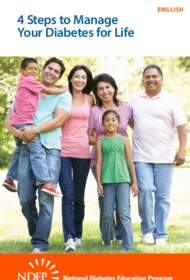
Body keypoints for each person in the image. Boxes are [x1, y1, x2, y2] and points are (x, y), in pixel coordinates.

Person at [5, 57, 72, 252]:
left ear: (59, 76)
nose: (51, 72)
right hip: (27, 146)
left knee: (45, 197)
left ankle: (40, 243)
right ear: (43, 69)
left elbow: (59, 120)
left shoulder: (63, 94)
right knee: (25, 198)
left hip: (50, 148)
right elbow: (10, 121)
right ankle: (36, 233)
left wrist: (34, 130)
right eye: (49, 68)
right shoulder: (27, 88)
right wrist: (21, 134)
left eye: (56, 71)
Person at [130, 64, 187, 246]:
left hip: (165, 156)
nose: (151, 79)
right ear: (143, 79)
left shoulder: (172, 99)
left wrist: (182, 149)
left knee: (163, 196)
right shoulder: (135, 99)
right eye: (147, 76)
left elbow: (181, 127)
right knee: (145, 191)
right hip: (141, 156)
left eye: (155, 76)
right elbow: (130, 121)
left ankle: (161, 233)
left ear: (161, 79)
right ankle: (148, 230)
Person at [3, 57, 67, 196]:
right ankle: (46, 182)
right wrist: (62, 89)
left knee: (19, 150)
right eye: (30, 68)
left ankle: (9, 178)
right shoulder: (29, 81)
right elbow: (48, 91)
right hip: (25, 123)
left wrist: (18, 133)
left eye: (35, 69)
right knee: (37, 152)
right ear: (22, 70)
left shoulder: (23, 83)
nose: (33, 71)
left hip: (18, 122)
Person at [88, 73, 133, 242]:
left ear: (114, 87)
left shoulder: (126, 107)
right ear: (96, 92)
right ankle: (107, 236)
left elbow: (136, 129)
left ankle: (121, 235)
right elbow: (89, 137)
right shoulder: (94, 111)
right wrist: (97, 140)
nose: (104, 91)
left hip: (122, 162)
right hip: (100, 161)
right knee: (105, 201)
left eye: (107, 87)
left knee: (122, 201)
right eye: (100, 88)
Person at [59, 65, 94, 252]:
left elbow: (99, 117)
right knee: (68, 195)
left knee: (79, 197)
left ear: (87, 81)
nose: (80, 80)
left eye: (83, 77)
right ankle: (69, 237)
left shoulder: (91, 99)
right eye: (76, 76)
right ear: (71, 78)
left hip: (83, 152)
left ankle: (78, 234)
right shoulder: (63, 96)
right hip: (63, 151)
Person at [96, 110, 138, 251]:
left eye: (113, 120)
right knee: (107, 214)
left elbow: (130, 161)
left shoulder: (125, 140)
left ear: (118, 122)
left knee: (123, 213)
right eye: (107, 120)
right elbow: (99, 163)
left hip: (123, 181)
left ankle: (128, 244)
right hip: (107, 181)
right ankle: (107, 240)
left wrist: (134, 182)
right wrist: (98, 182)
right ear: (103, 123)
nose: (110, 122)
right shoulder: (100, 141)